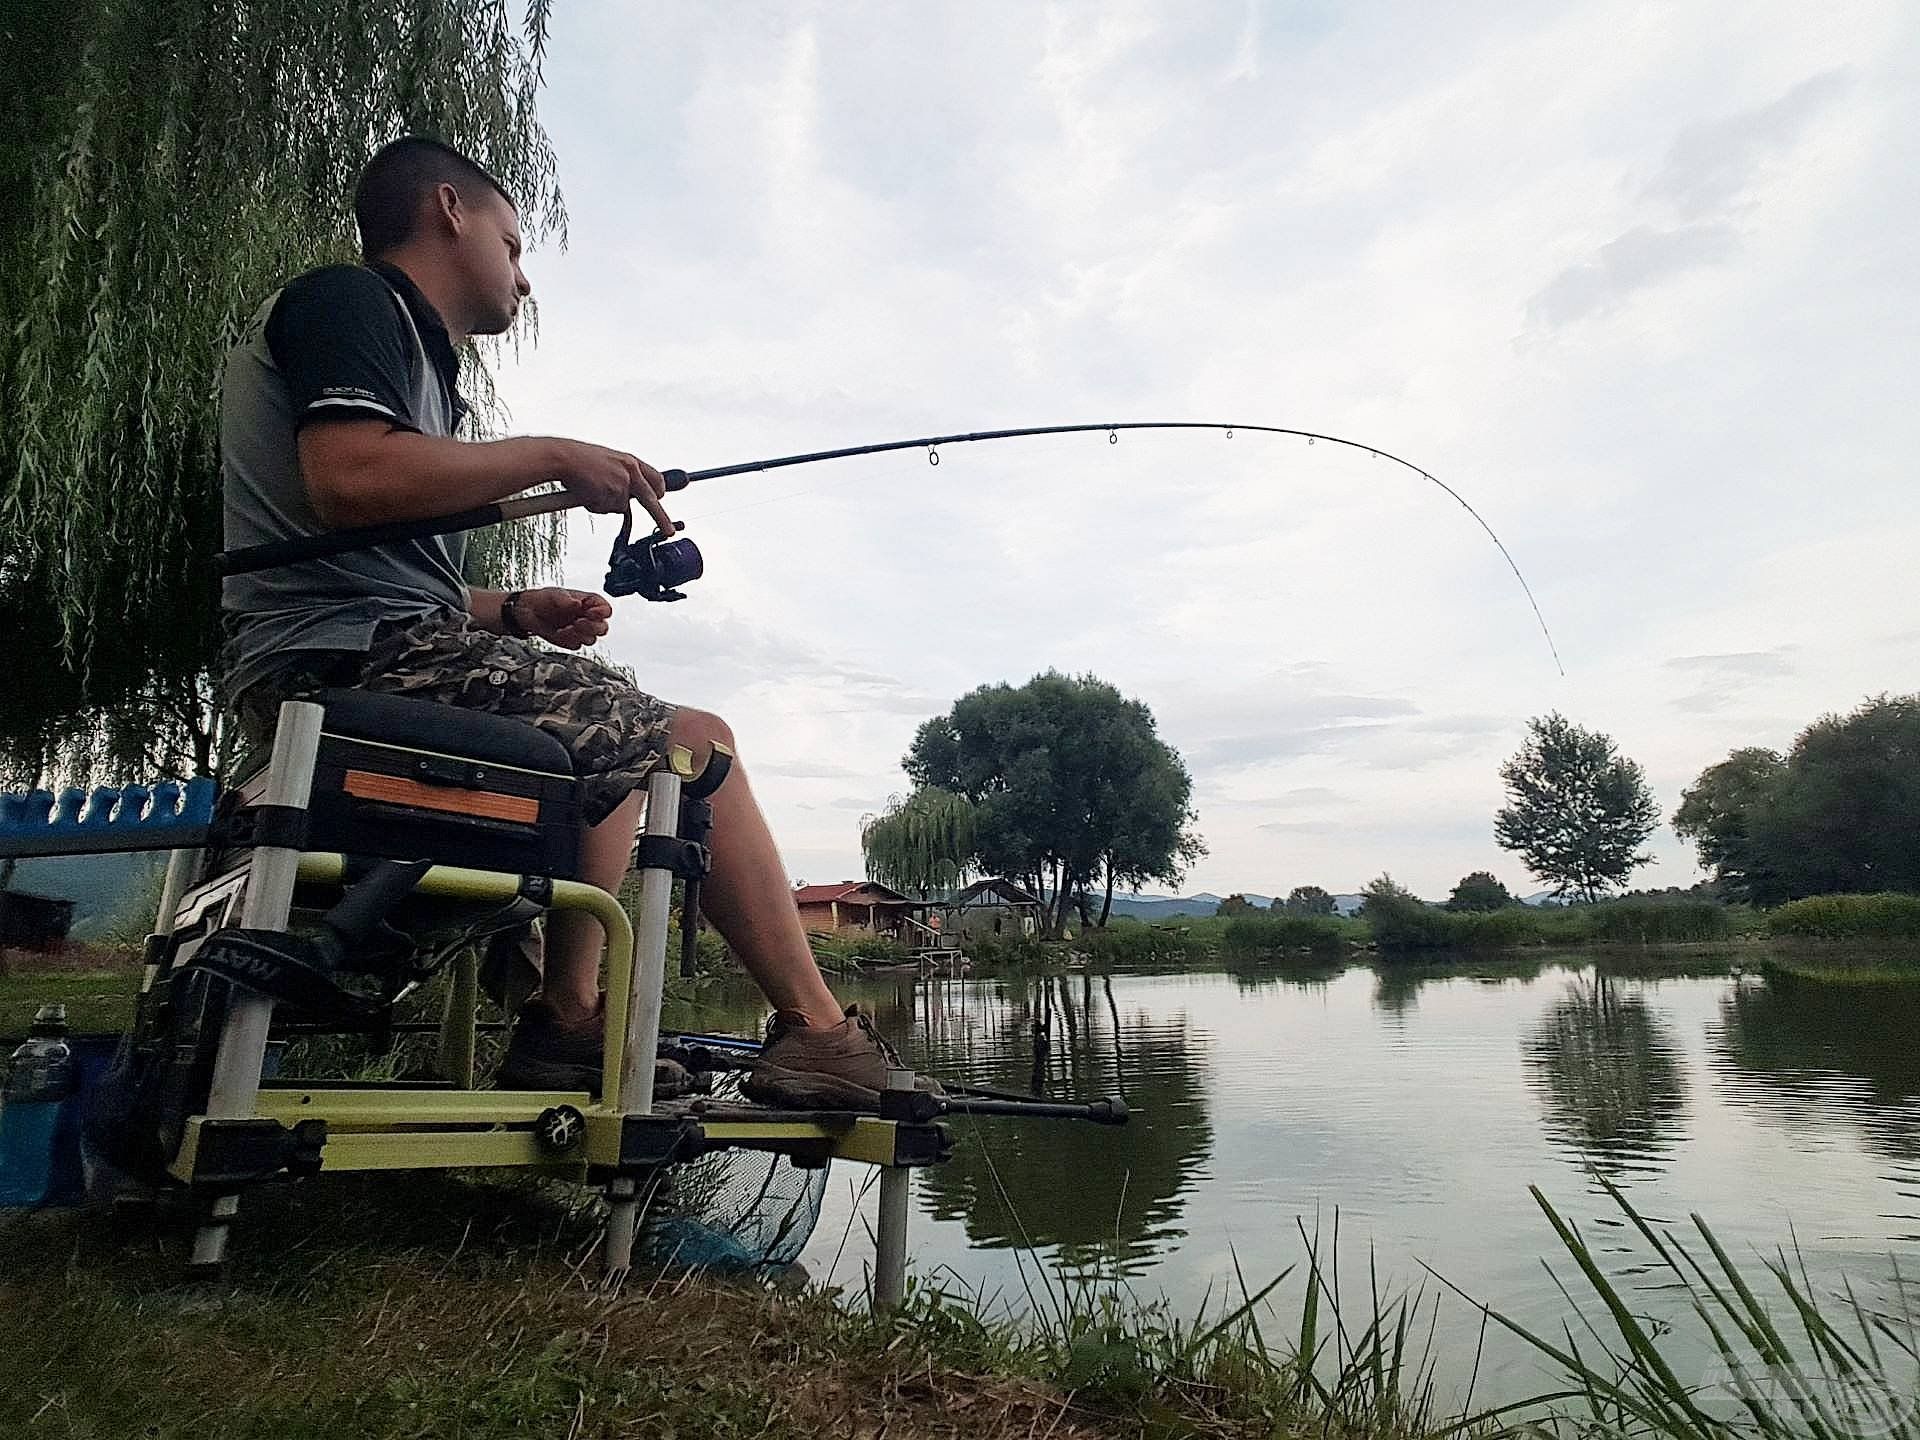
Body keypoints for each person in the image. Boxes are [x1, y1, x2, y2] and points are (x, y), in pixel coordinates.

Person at [219, 135, 919, 1110]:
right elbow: (351, 477)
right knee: (685, 740)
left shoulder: (415, 366)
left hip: (361, 648)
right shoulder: (351, 302)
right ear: (450, 209)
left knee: (628, 730)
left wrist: (507, 611)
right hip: (340, 669)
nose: (523, 275)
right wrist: (552, 453)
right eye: (512, 243)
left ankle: (572, 1016)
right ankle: (806, 1030)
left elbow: (363, 565)